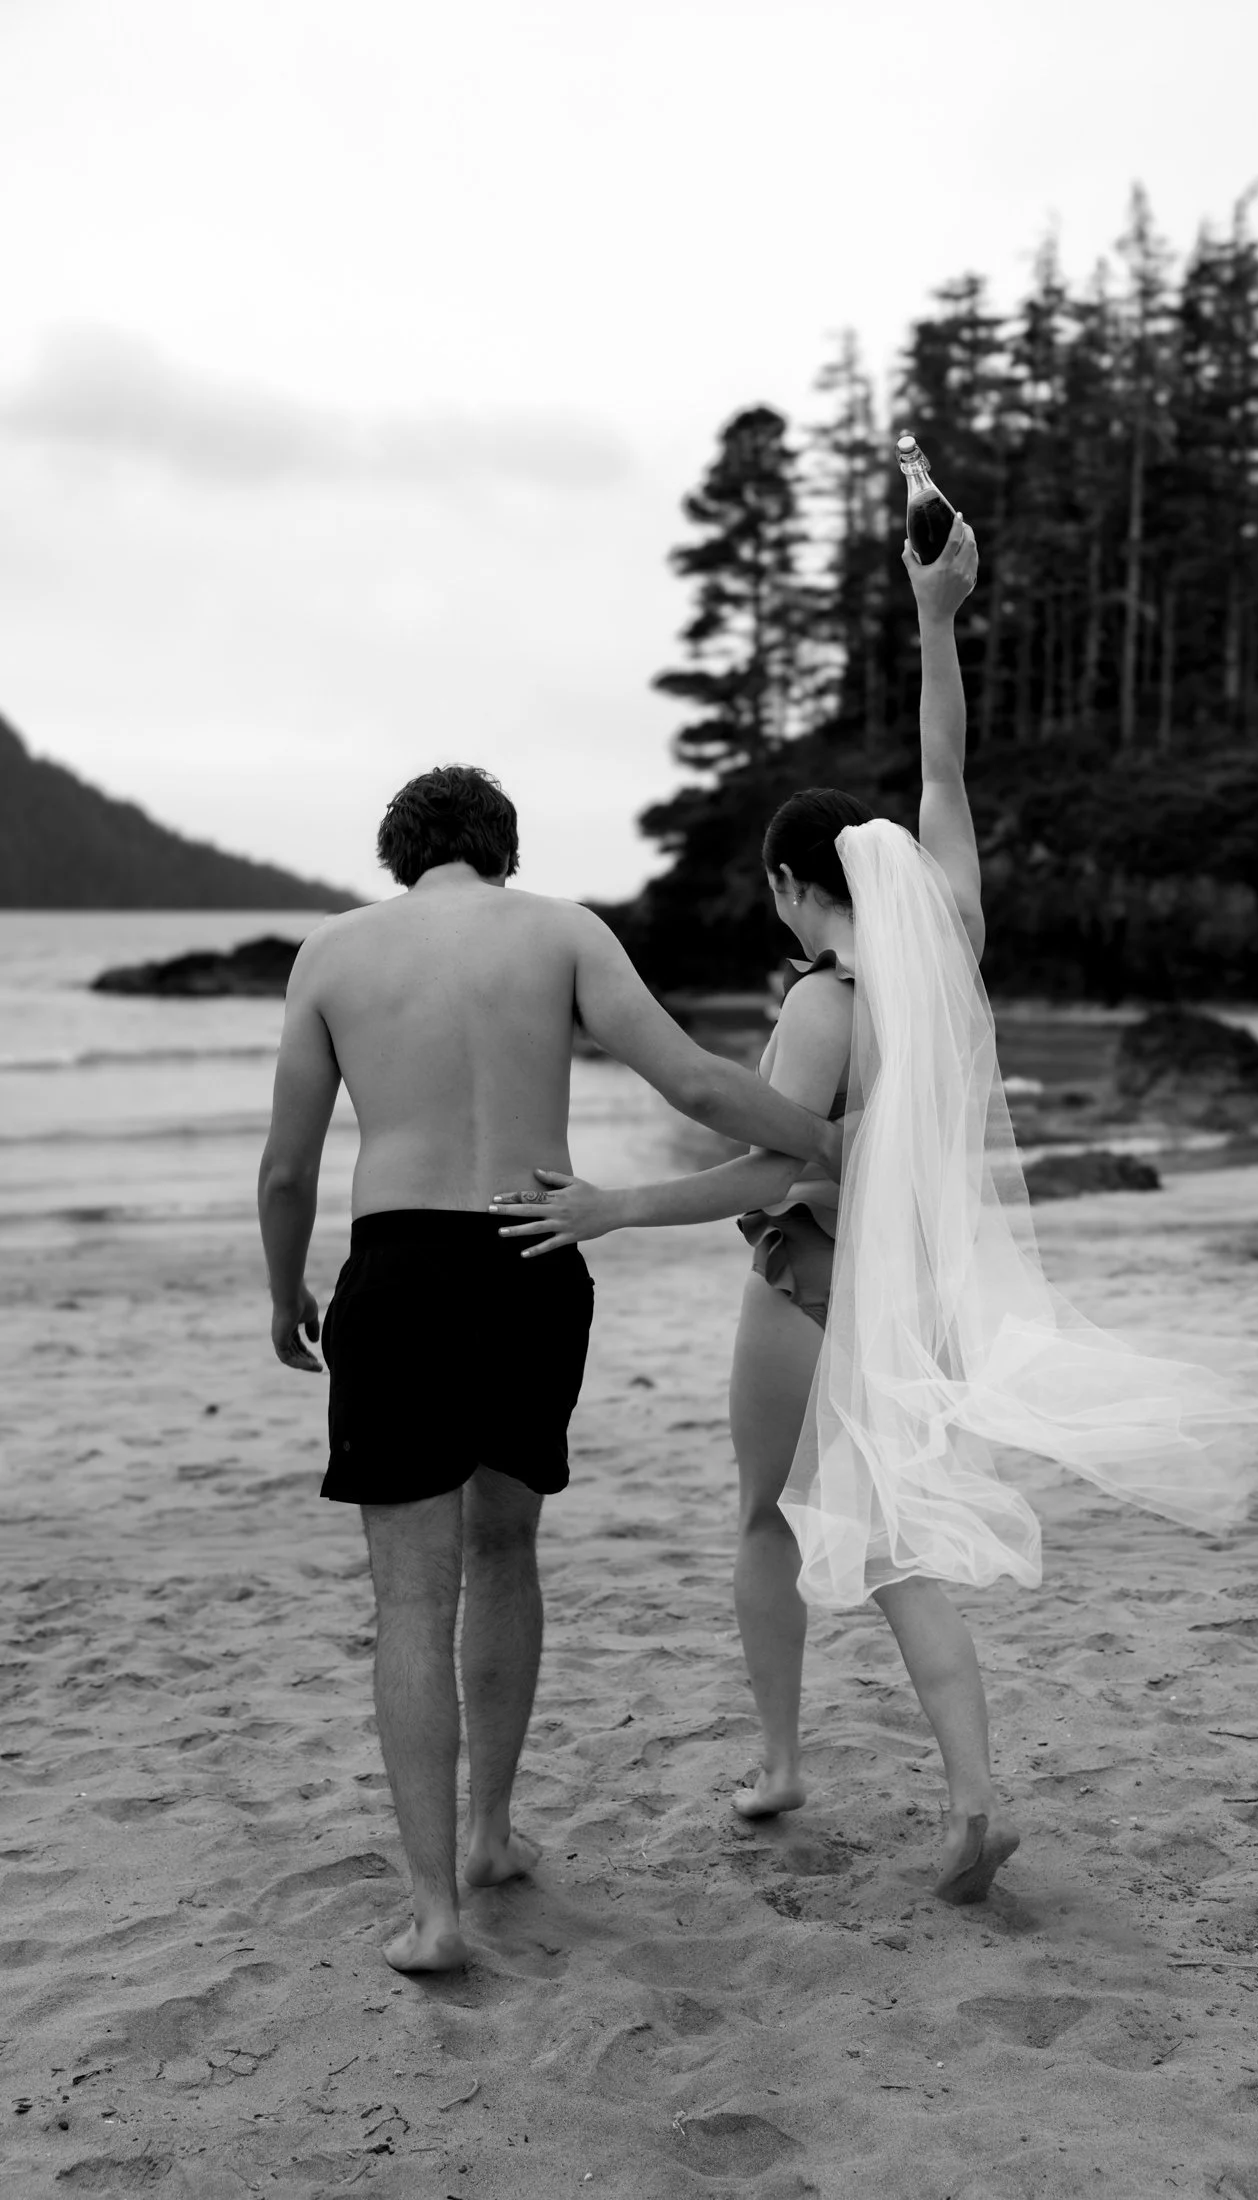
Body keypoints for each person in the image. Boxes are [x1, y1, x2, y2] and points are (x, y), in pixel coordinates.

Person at [490, 517, 1258, 1905]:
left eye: (778, 899)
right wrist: (936, 615)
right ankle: (974, 1798)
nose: (783, 924)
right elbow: (945, 771)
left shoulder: (817, 1003)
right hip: (918, 1294)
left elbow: (774, 1169)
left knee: (766, 1518)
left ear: (800, 889)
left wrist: (618, 1204)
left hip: (808, 1290)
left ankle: (778, 1759)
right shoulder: (952, 949)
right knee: (895, 1535)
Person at [257, 765, 845, 1974]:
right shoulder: (564, 931)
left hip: (402, 1263)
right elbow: (690, 1079)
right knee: (503, 1547)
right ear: (503, 850)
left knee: (410, 1596)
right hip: (534, 1251)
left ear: (399, 855)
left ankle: (433, 1912)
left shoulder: (332, 954)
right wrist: (832, 1136)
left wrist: (285, 1291)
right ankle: (489, 1836)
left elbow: (286, 1167)